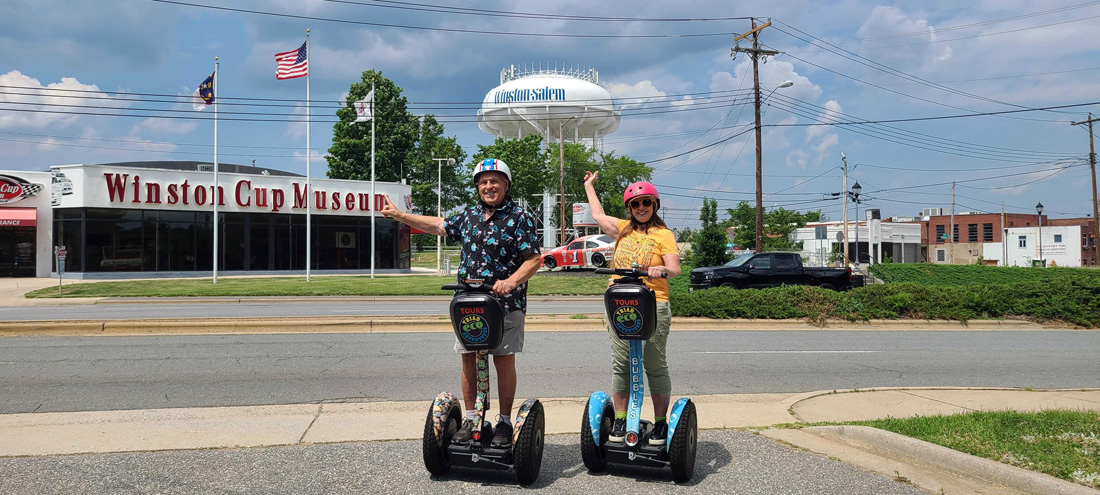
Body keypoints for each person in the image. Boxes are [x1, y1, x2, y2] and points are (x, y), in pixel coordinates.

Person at [380, 158, 541, 448]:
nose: (488, 186)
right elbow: (437, 225)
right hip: (468, 304)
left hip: (505, 303)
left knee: (503, 360)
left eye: (494, 180)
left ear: (506, 184)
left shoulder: (520, 218)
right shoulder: (469, 216)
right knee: (468, 358)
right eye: (483, 181)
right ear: (477, 187)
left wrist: (511, 281)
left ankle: (504, 422)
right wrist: (400, 215)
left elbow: (534, 259)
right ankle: (472, 418)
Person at [582, 171, 681, 446]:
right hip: (619, 304)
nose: (641, 208)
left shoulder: (664, 234)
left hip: (653, 304)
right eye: (635, 204)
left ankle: (661, 424)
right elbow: (598, 216)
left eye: (646, 203)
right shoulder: (622, 228)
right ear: (629, 208)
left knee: (654, 364)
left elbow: (675, 268)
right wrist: (589, 186)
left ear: (654, 205)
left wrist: (662, 268)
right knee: (622, 364)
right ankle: (622, 419)